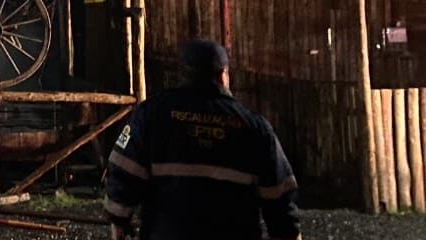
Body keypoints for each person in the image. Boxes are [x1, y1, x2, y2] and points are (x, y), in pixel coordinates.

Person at [105, 39, 301, 240]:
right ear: (223, 75)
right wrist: (288, 231)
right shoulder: (254, 127)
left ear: (183, 74)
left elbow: (124, 172)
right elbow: (280, 199)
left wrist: (118, 220)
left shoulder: (151, 115)